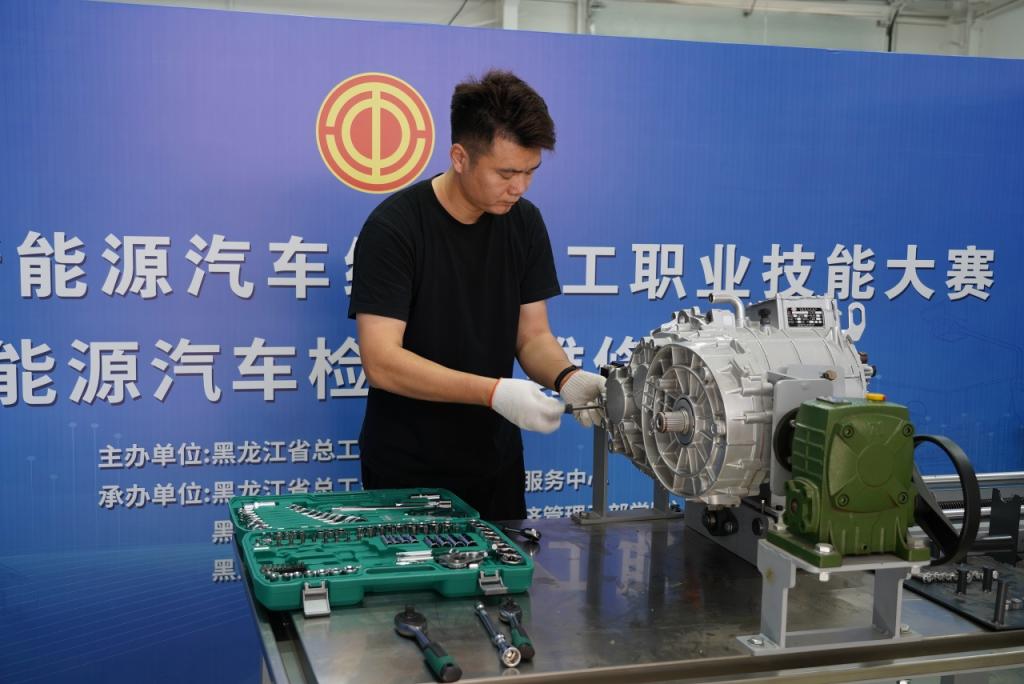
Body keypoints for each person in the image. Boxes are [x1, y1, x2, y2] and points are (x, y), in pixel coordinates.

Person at [348, 70, 605, 520]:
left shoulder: (524, 223)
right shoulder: (394, 228)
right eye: (506, 173)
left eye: (530, 172)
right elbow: (382, 361)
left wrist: (567, 378)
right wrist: (493, 392)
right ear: (460, 157)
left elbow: (532, 337)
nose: (519, 187)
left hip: (495, 464)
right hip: (408, 470)